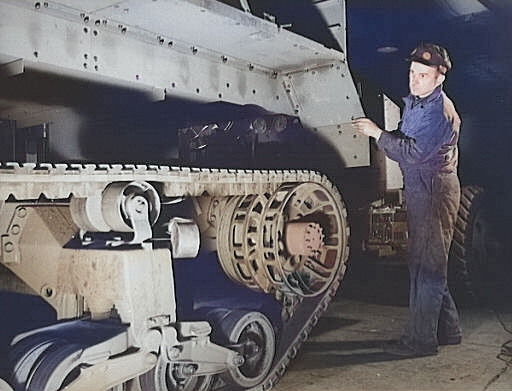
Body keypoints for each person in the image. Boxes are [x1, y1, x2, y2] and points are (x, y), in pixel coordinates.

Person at [352, 43, 462, 357]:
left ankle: (420, 341)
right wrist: (383, 134)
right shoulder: (418, 102)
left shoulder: (440, 112)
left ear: (439, 78)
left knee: (427, 267)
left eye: (422, 75)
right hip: (422, 187)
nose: (414, 80)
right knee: (429, 262)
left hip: (433, 191)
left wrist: (377, 134)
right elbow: (405, 138)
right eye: (412, 73)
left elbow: (413, 152)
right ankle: (449, 330)